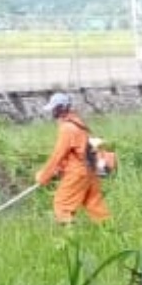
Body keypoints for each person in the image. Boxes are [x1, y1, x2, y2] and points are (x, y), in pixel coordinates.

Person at [35, 92, 111, 226]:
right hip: (90, 171)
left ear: (61, 109)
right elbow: (75, 152)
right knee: (95, 205)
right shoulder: (78, 124)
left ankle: (70, 239)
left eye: (54, 109)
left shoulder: (67, 129)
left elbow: (58, 155)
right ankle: (111, 232)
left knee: (62, 204)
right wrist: (59, 169)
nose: (52, 112)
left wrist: (44, 177)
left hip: (77, 173)